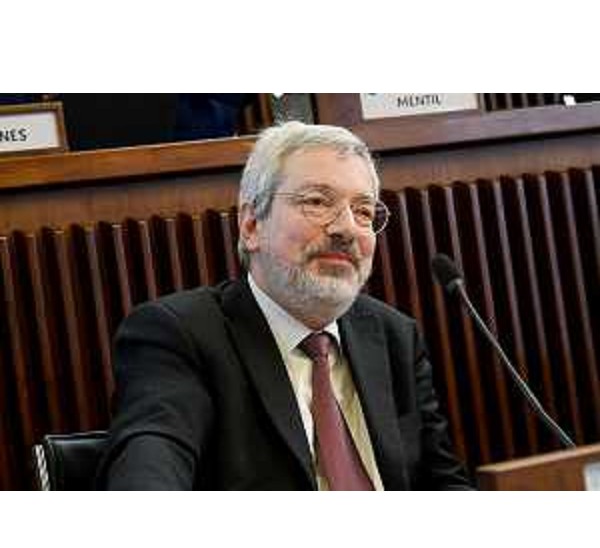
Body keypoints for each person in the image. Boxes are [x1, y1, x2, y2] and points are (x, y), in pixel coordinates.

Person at [96, 121, 473, 490]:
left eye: (363, 211)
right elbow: (148, 475)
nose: (346, 228)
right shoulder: (179, 336)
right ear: (251, 226)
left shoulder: (394, 336)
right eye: (317, 202)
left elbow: (443, 484)